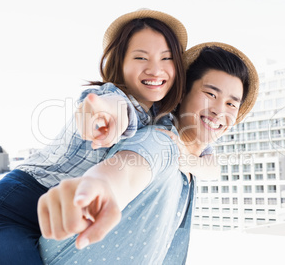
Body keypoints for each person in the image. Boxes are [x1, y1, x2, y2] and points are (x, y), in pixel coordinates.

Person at [0, 9, 187, 264]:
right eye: (140, 57)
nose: (155, 69)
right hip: (11, 212)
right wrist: (104, 118)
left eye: (166, 58)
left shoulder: (165, 121)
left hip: (63, 221)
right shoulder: (110, 96)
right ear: (120, 64)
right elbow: (108, 108)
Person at [36, 42, 259, 264]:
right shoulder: (161, 141)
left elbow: (213, 169)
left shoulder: (194, 160)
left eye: (231, 104)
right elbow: (128, 171)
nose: (219, 110)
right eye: (210, 94)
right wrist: (101, 188)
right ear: (181, 93)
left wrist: (191, 162)